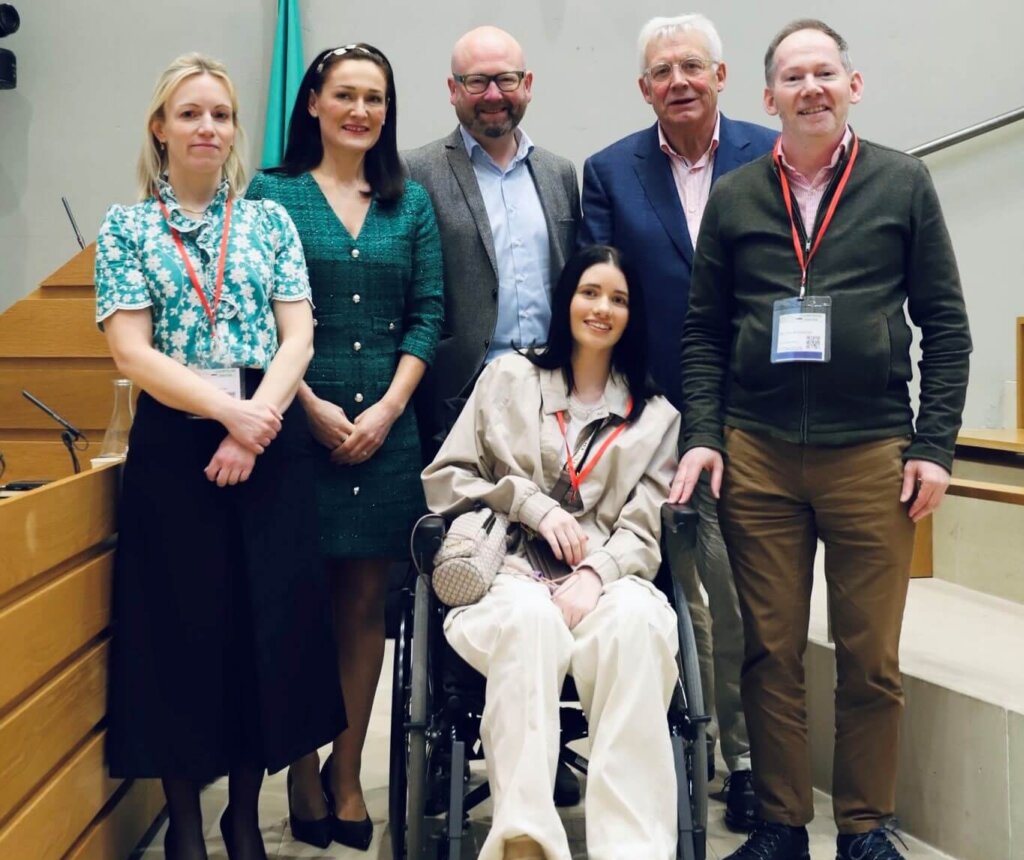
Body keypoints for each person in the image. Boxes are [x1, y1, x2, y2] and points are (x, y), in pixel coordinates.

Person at [672, 20, 972, 860]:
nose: (811, 88)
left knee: (870, 656)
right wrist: (707, 435)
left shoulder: (902, 183)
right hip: (759, 450)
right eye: (793, 78)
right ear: (767, 98)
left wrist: (935, 445)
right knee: (768, 650)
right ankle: (779, 824)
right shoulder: (736, 195)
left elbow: (946, 325)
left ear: (853, 86)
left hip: (872, 449)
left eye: (825, 74)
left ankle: (866, 828)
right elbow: (702, 332)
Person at [96, 54, 345, 860]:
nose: (209, 128)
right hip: (176, 445)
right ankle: (188, 827)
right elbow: (131, 352)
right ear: (160, 128)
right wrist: (224, 414)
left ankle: (244, 815)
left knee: (259, 629)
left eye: (222, 115)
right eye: (191, 113)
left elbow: (298, 332)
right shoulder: (128, 227)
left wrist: (254, 421)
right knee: (180, 632)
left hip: (265, 440)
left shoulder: (268, 220)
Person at [579, 13, 776, 830]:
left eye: (693, 66)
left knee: (745, 599)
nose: (679, 81)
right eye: (663, 71)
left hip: (756, 420)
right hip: (650, 421)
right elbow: (599, 290)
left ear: (722, 76)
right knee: (667, 589)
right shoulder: (608, 171)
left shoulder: (770, 154)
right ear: (644, 87)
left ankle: (745, 761)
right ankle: (678, 750)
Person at [422, 245, 682, 860]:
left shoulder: (656, 419)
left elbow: (643, 531)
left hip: (604, 581)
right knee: (530, 622)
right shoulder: (508, 377)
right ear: (566, 298)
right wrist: (528, 503)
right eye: (590, 292)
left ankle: (635, 848)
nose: (602, 308)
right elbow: (448, 479)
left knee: (641, 626)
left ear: (633, 315)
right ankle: (525, 842)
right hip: (506, 573)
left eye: (618, 299)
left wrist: (597, 572)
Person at [246, 43, 443, 851]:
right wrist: (314, 407)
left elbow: (428, 314)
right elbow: (255, 319)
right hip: (293, 430)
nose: (362, 110)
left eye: (376, 98)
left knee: (366, 609)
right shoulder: (272, 194)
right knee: (298, 609)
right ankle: (299, 763)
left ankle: (346, 769)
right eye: (347, 95)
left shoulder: (411, 202)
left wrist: (391, 409)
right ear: (315, 104)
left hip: (389, 439)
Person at [405, 25, 580, 462]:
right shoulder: (416, 172)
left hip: (553, 384)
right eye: (476, 81)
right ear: (453, 89)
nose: (493, 94)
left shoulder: (560, 172)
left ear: (528, 85)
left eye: (506, 79)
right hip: (461, 392)